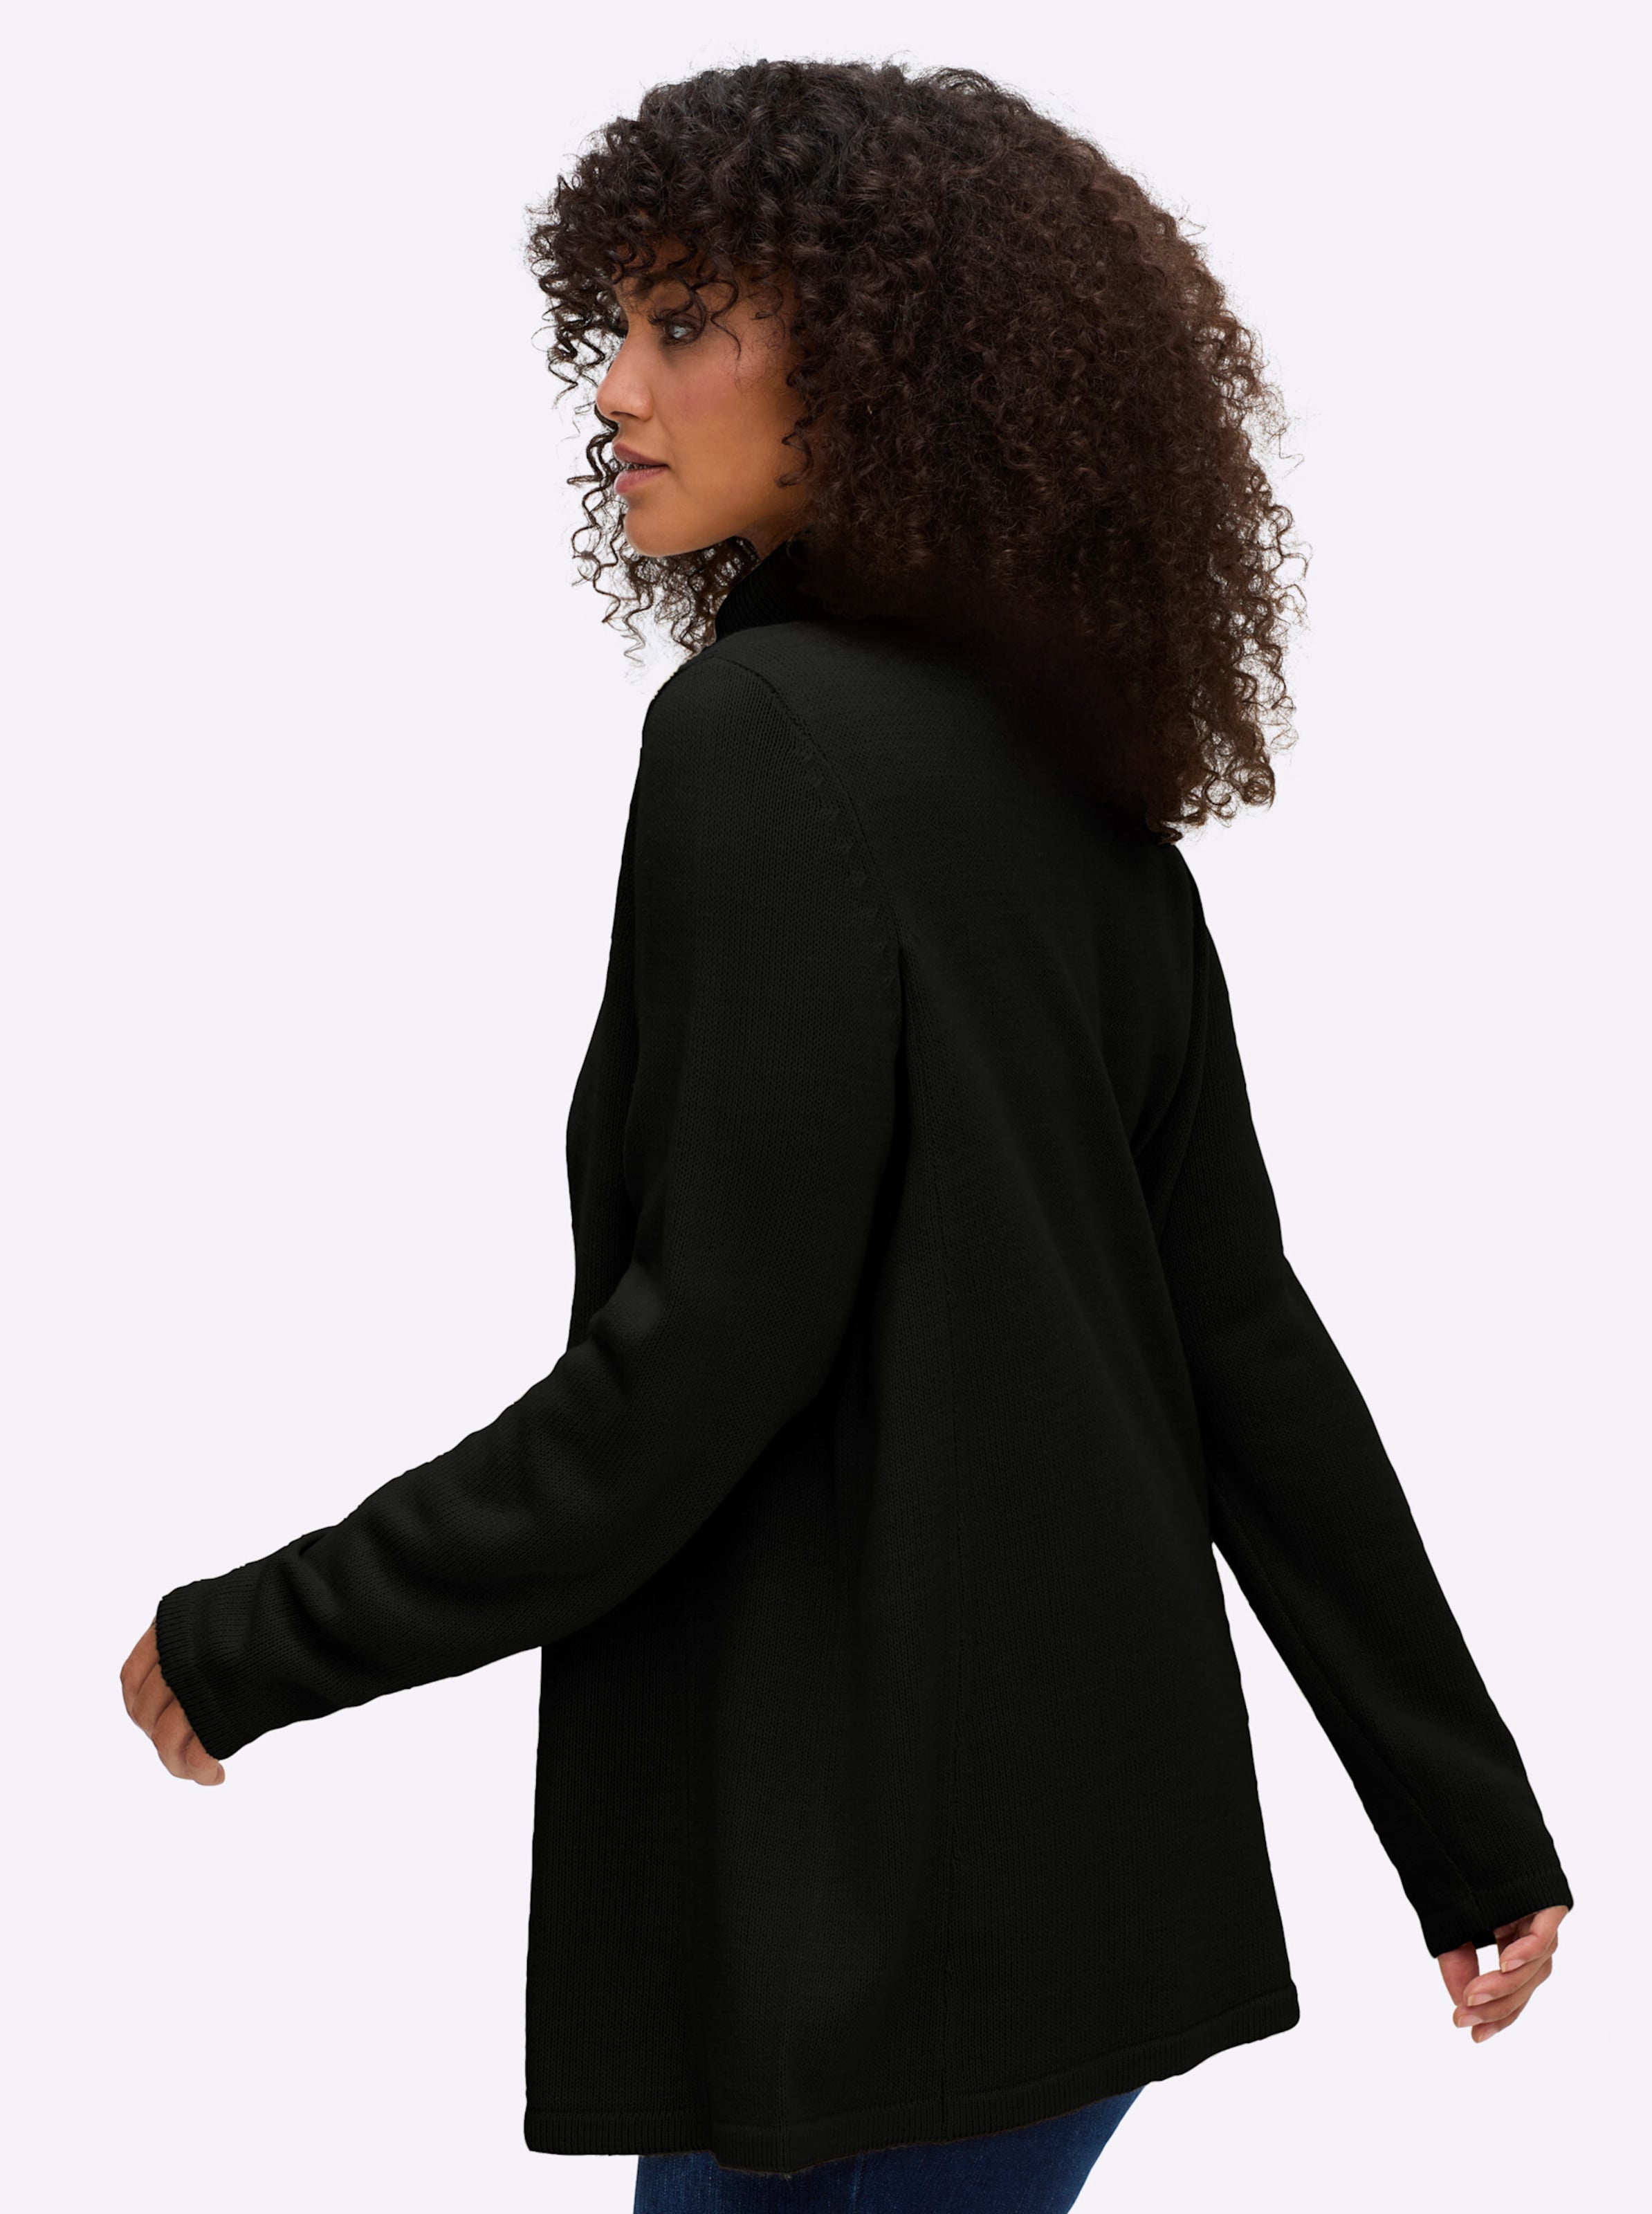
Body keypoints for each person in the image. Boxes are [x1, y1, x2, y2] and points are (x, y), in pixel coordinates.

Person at [120, 57, 1574, 2214]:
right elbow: (1235, 1335)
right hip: (1079, 1886)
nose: (614, 386)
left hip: (872, 1924)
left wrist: (267, 1636)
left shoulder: (759, 736)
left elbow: (692, 1372)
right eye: (612, 323)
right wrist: (1462, 1821)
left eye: (683, 323)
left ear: (884, 365)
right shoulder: (1069, 780)